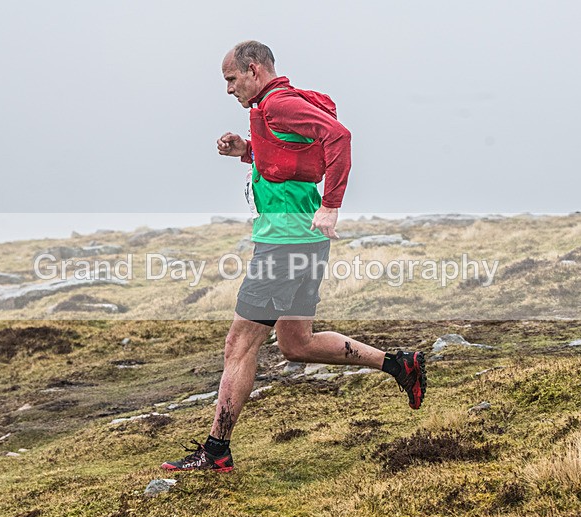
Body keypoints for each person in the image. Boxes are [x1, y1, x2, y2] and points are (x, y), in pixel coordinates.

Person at [161, 41, 426, 472]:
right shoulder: (275, 107)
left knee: (239, 345)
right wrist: (246, 151)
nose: (228, 89)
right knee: (296, 343)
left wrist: (332, 205)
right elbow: (291, 161)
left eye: (231, 79)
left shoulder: (279, 104)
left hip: (284, 244)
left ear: (253, 70)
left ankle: (216, 451)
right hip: (303, 242)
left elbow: (339, 136)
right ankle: (400, 365)